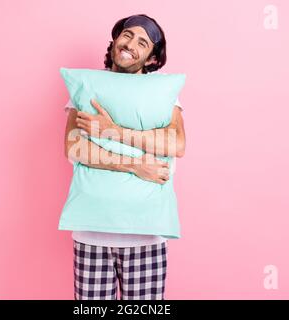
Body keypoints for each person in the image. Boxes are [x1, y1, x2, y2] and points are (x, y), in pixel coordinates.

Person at [63, 14, 186, 300]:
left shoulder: (162, 91)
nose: (131, 44)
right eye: (128, 35)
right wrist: (135, 165)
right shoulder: (87, 86)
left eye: (143, 42)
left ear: (152, 57)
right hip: (92, 234)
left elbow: (176, 143)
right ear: (116, 39)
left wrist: (112, 131)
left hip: (147, 234)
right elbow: (74, 148)